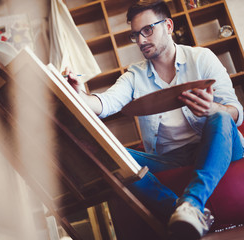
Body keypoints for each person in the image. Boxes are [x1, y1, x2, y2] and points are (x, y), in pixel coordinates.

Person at [64, 0, 244, 239]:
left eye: (147, 30)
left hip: (216, 146)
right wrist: (78, 95)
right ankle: (179, 212)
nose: (140, 40)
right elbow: (105, 104)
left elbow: (236, 111)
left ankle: (192, 202)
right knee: (105, 152)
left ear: (168, 26)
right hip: (169, 159)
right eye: (135, 35)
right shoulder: (134, 76)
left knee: (220, 115)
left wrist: (212, 108)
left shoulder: (202, 58)